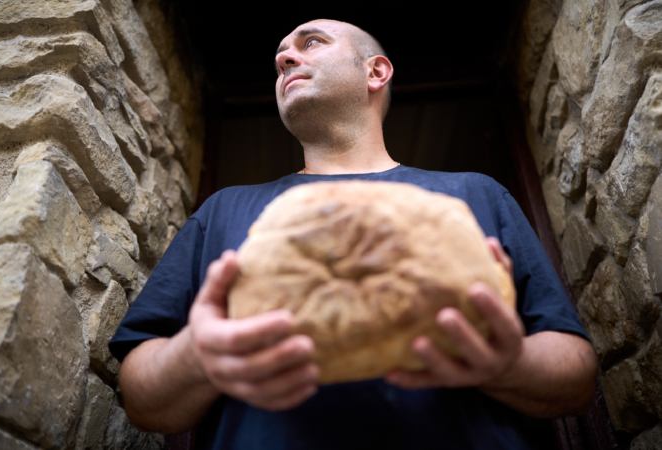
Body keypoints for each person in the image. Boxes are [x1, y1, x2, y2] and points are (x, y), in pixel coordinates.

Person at [110, 19, 598, 449]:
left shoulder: (475, 194)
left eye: (312, 42)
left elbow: (576, 379)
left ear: (376, 72)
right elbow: (141, 401)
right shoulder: (222, 210)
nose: (284, 58)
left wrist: (509, 367)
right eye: (281, 57)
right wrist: (197, 355)